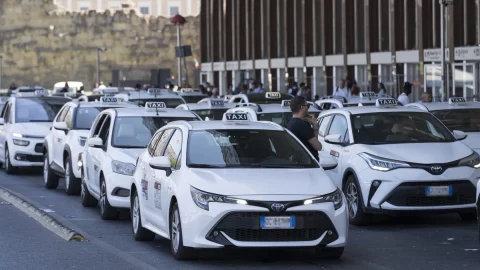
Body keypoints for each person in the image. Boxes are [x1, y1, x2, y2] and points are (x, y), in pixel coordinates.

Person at [287, 96, 323, 161]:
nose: (308, 109)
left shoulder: (290, 124)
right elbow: (318, 147)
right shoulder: (302, 125)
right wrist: (315, 127)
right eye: (307, 106)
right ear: (302, 107)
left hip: (298, 162)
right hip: (309, 164)